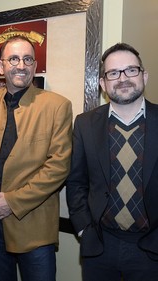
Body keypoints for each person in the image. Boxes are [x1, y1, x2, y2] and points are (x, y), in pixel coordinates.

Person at [0, 35, 73, 281]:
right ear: (1, 67)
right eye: (13, 59)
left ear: (34, 66)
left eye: (27, 59)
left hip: (34, 225)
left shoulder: (57, 106)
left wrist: (12, 201)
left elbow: (58, 167)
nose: (21, 65)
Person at [66, 42, 158, 281]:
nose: (123, 78)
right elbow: (76, 182)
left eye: (131, 70)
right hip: (100, 246)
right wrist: (84, 228)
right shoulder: (85, 124)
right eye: (113, 73)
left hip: (151, 248)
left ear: (144, 76)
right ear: (103, 83)